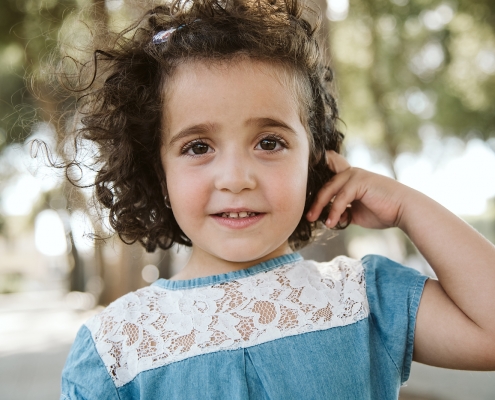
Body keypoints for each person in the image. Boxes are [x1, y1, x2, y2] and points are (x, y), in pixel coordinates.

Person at [57, 0, 495, 398]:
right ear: (159, 171)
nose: (236, 178)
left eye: (269, 143)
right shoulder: (117, 346)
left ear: (314, 159)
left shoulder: (363, 298)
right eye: (197, 147)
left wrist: (407, 206)